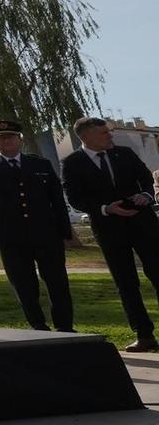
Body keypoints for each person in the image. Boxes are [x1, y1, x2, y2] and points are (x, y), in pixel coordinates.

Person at [0, 120, 74, 332]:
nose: (7, 141)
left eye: (11, 137)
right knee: (24, 284)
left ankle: (65, 326)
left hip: (46, 233)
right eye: (0, 138)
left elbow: (56, 199)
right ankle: (38, 326)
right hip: (10, 236)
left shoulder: (40, 164)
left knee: (57, 282)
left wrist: (65, 232)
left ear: (20, 140)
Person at [61, 117, 159, 353]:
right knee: (125, 282)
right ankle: (143, 334)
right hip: (109, 228)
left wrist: (145, 195)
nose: (110, 136)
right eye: (104, 133)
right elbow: (75, 197)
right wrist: (105, 208)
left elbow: (146, 179)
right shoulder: (73, 163)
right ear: (86, 137)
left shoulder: (124, 153)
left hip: (143, 223)